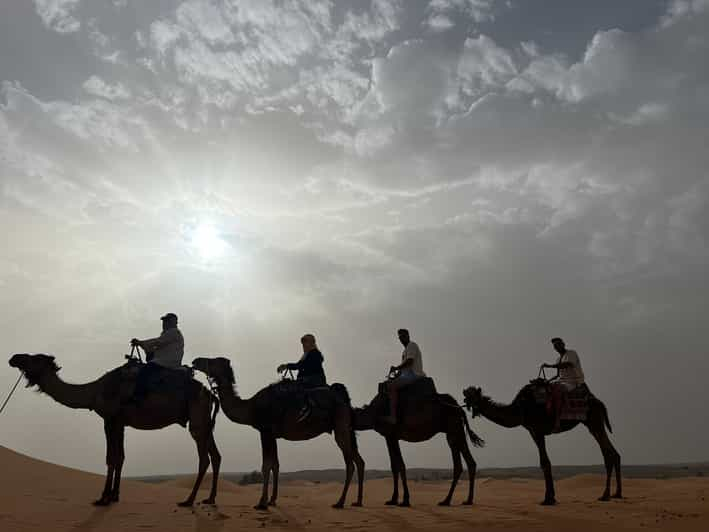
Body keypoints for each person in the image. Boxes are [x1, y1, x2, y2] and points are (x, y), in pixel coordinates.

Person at [130, 313, 185, 404]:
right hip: (163, 360)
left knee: (144, 372)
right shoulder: (168, 334)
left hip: (167, 362)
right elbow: (154, 346)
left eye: (166, 321)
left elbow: (157, 342)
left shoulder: (174, 332)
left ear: (173, 322)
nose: (164, 323)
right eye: (164, 321)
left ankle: (138, 396)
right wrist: (141, 344)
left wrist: (140, 342)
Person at [277, 334, 326, 421]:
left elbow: (301, 366)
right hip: (307, 379)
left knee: (296, 387)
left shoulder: (315, 353)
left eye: (305, 342)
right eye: (303, 343)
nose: (303, 345)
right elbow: (300, 366)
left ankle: (305, 408)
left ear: (311, 343)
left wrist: (286, 366)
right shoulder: (306, 355)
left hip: (315, 379)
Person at [382, 329, 425, 424]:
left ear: (408, 336)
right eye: (400, 337)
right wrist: (397, 373)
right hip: (408, 375)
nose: (402, 338)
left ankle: (393, 416)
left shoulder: (412, 345)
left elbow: (410, 362)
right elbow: (404, 368)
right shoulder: (405, 351)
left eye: (403, 336)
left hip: (415, 375)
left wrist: (396, 368)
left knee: (391, 386)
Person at [541, 337, 585, 431]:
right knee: (544, 389)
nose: (557, 347)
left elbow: (567, 364)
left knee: (558, 391)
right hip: (562, 381)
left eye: (558, 344)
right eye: (555, 346)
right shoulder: (558, 359)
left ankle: (557, 421)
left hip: (573, 382)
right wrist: (547, 381)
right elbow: (557, 375)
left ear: (563, 344)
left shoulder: (571, 353)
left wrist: (550, 366)